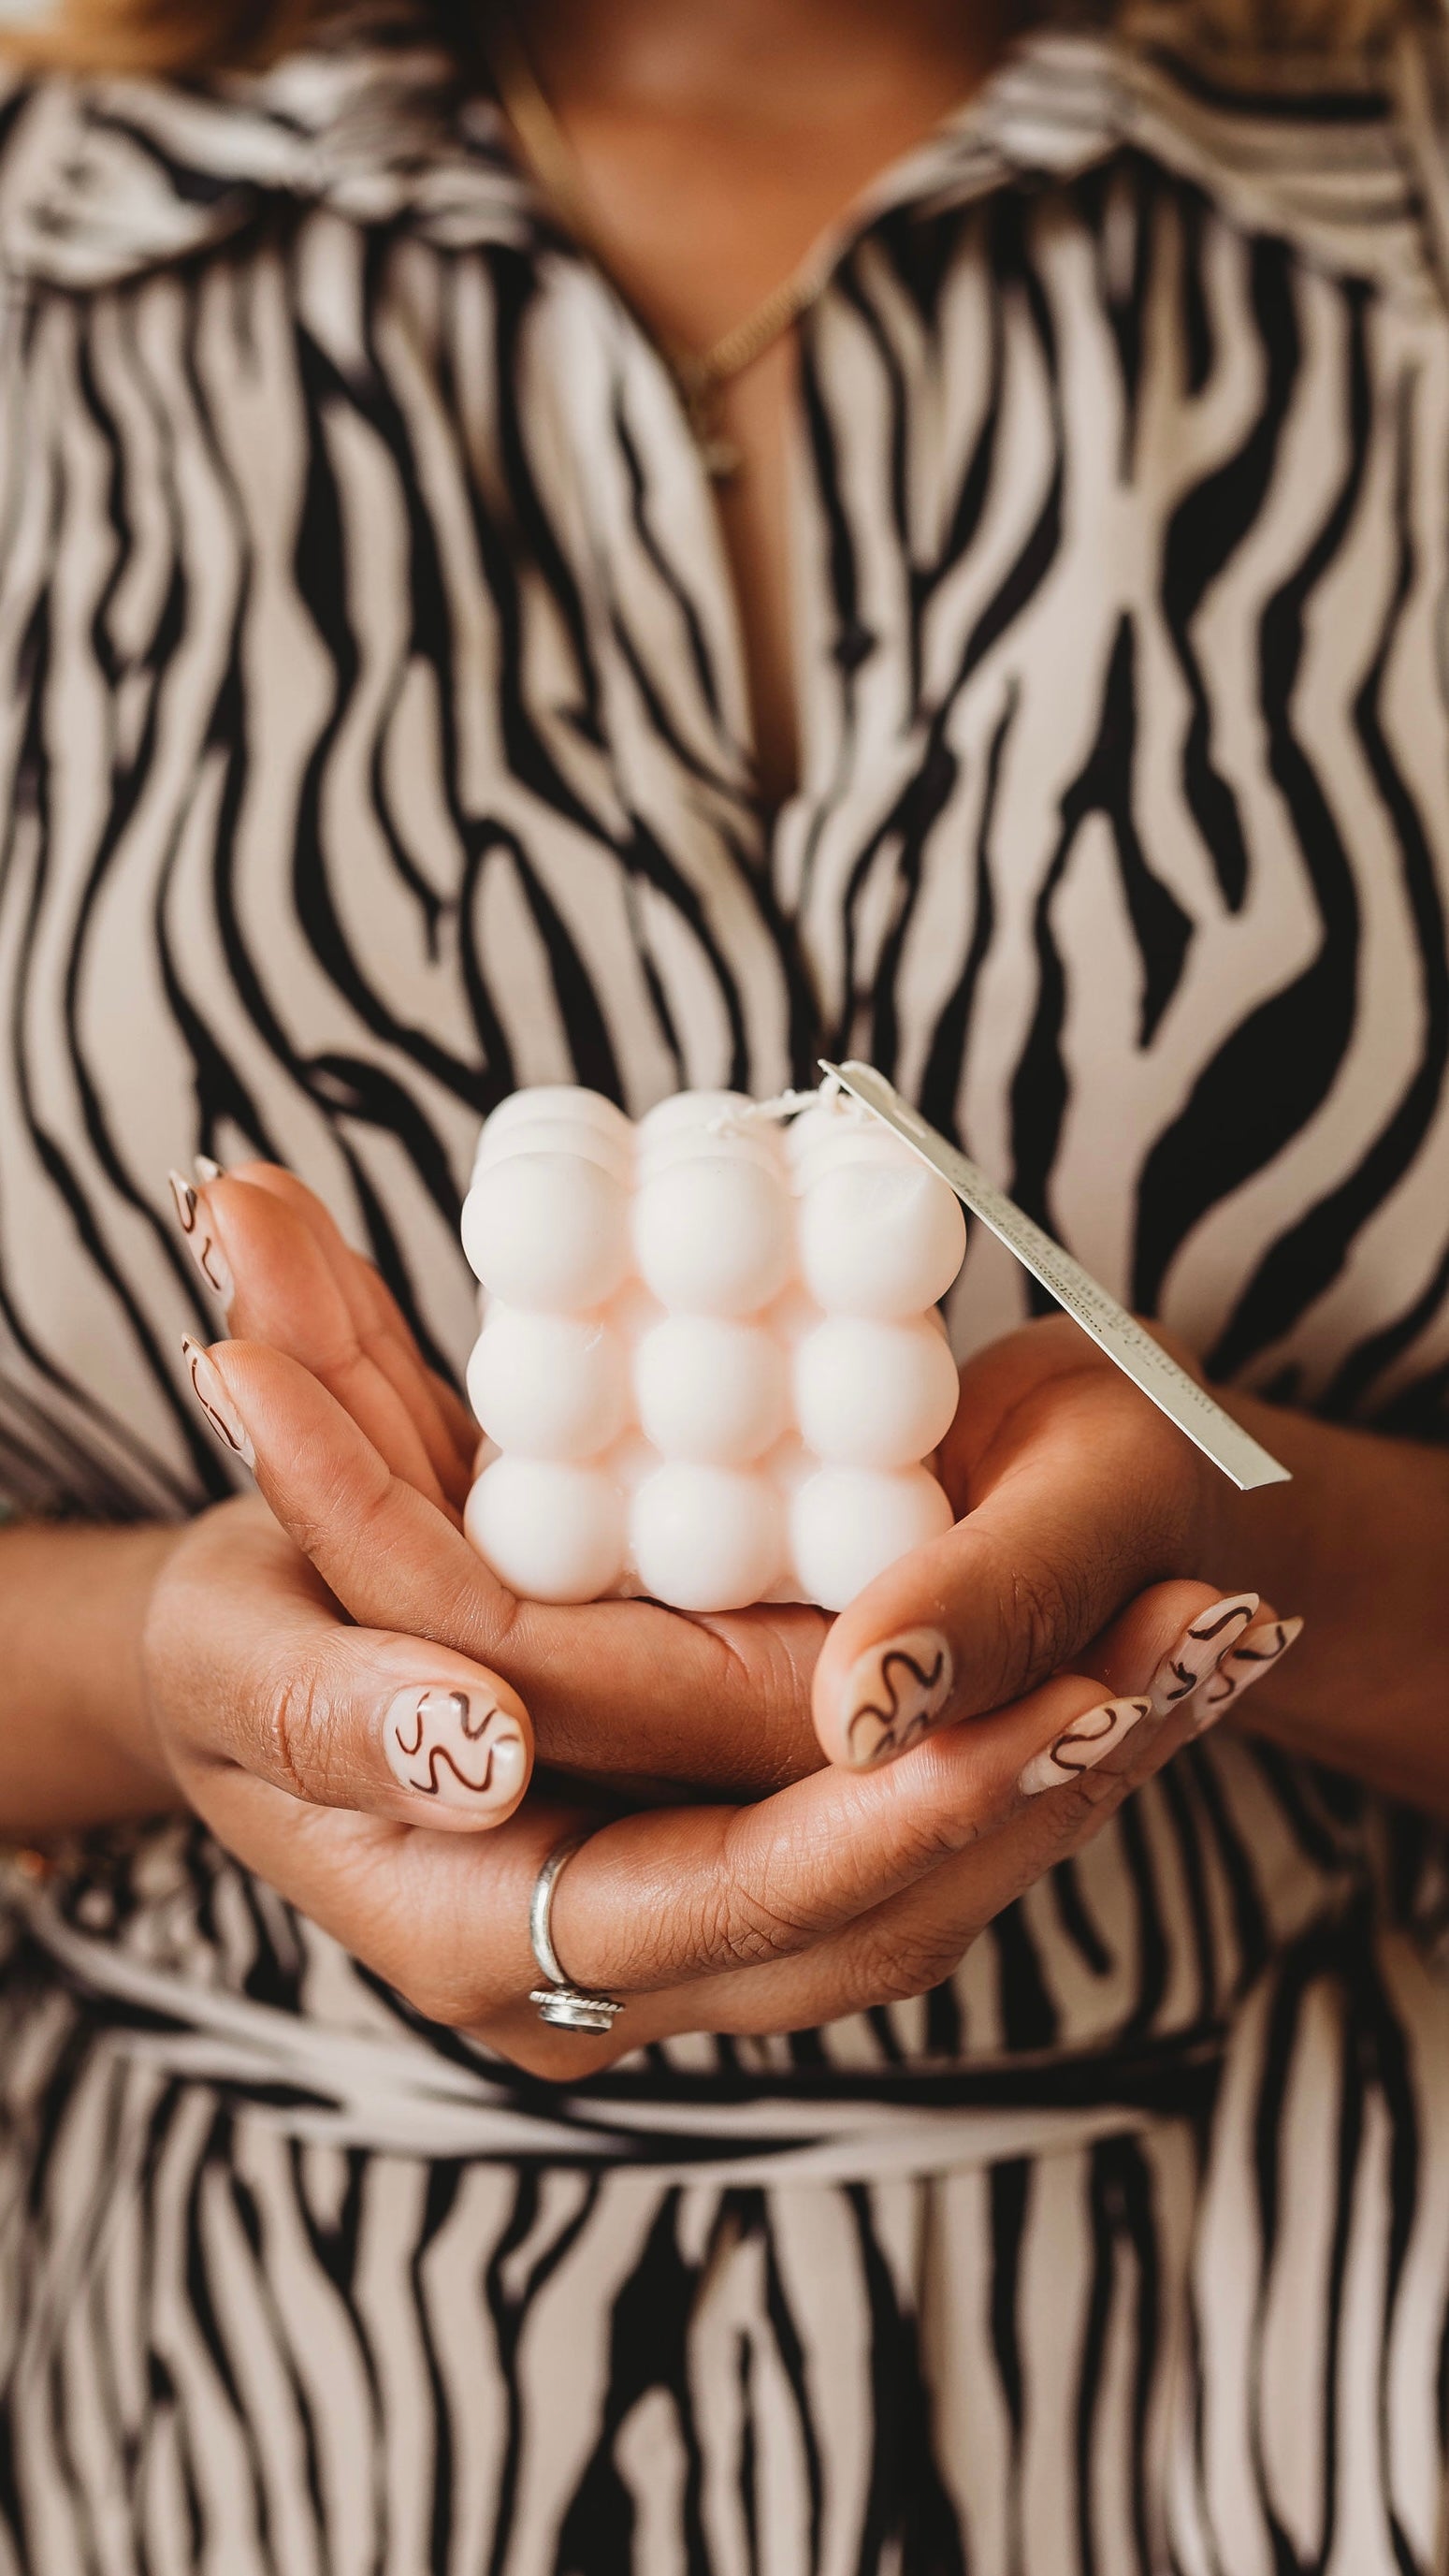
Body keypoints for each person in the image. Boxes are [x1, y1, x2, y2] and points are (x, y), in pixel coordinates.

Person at [2, 0, 1448, 2565]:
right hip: (239, 2432)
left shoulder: (1401, 212)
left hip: (1313, 2392)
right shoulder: (50, 250)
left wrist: (1285, 1556)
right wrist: (159, 1664)